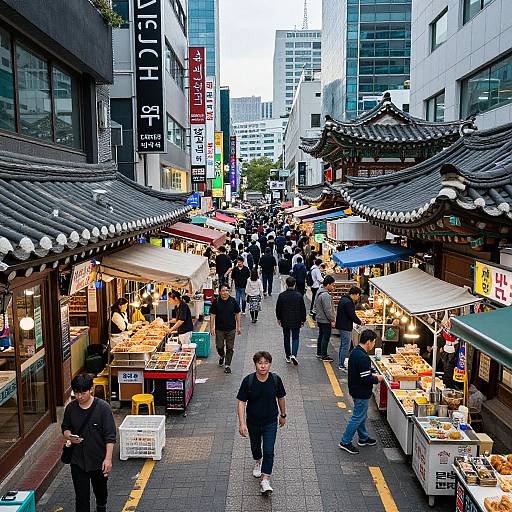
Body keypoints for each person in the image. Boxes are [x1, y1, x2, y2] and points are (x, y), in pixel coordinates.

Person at [62, 373, 116, 512]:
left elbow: (110, 436)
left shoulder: (103, 408)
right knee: (81, 498)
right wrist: (69, 436)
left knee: (101, 492)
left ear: (91, 389)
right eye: (77, 393)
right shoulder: (71, 408)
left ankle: (101, 506)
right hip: (78, 460)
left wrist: (108, 459)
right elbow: (65, 428)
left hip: (98, 460)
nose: (79, 397)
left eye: (83, 393)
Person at [236, 351, 287, 497]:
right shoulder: (249, 380)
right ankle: (257, 461)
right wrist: (242, 423)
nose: (263, 366)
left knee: (269, 450)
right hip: (253, 422)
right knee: (255, 447)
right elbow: (241, 401)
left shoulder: (276, 379)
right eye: (260, 363)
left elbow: (281, 397)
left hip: (270, 421)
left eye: (266, 363)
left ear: (270, 364)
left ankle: (265, 479)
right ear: (255, 364)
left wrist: (283, 415)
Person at [339, 330, 384, 454]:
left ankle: (363, 438)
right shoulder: (363, 357)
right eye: (374, 342)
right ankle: (345, 441)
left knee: (361, 415)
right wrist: (377, 378)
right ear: (369, 342)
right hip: (361, 391)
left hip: (354, 388)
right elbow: (365, 378)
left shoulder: (355, 351)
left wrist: (370, 372)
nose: (374, 344)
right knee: (357, 417)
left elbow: (362, 372)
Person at [210, 284, 241, 374]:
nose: (225, 292)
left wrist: (239, 326)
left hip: (231, 328)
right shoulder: (216, 302)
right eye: (223, 290)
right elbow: (212, 315)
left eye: (227, 290)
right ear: (219, 292)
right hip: (219, 329)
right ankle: (222, 355)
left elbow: (237, 313)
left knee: (230, 348)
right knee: (219, 346)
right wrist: (212, 327)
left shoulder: (233, 301)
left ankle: (227, 365)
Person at [275, 276, 306, 365]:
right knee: (295, 338)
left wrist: (279, 318)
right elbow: (302, 309)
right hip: (296, 320)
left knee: (286, 337)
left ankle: (288, 356)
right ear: (294, 284)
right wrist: (303, 320)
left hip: (285, 320)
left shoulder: (282, 296)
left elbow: (278, 308)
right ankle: (294, 355)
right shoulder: (299, 295)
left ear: (286, 284)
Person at [335, 286, 363, 371]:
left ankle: (341, 362)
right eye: (358, 296)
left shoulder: (344, 299)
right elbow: (352, 315)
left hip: (341, 325)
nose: (358, 298)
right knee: (345, 346)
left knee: (343, 345)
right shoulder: (348, 302)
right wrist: (360, 322)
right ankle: (341, 364)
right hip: (345, 326)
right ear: (355, 294)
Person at [314, 275, 336, 362]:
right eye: (332, 285)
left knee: (321, 335)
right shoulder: (325, 295)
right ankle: (324, 355)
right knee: (325, 337)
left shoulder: (319, 291)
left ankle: (319, 353)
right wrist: (332, 319)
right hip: (325, 320)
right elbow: (328, 310)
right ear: (328, 285)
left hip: (319, 318)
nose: (333, 287)